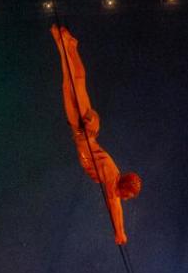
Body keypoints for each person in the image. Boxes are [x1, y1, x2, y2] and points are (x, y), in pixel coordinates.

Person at [51, 25, 142, 245]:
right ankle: (62, 43)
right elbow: (114, 207)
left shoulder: (114, 174)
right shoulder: (111, 179)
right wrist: (119, 232)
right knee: (70, 82)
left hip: (88, 129)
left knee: (78, 82)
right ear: (123, 187)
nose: (123, 199)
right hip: (84, 129)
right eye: (126, 195)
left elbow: (117, 205)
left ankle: (70, 47)